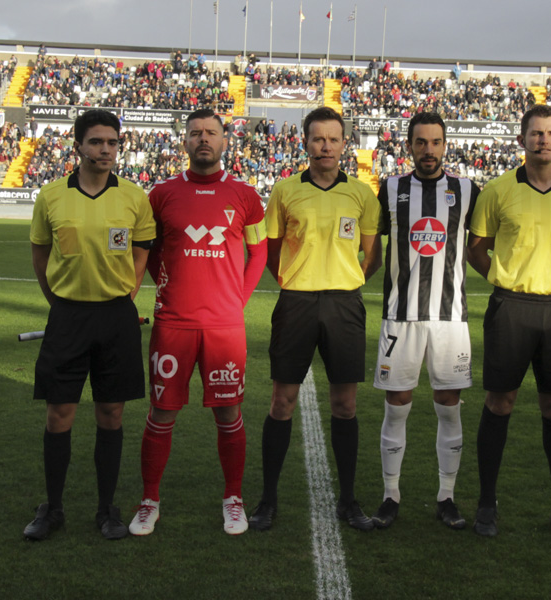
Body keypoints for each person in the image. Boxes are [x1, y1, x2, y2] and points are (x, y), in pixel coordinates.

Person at [467, 104, 551, 540]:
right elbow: (477, 249)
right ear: (522, 139)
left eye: (550, 133)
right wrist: (504, 283)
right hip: (511, 308)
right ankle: (487, 504)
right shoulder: (498, 190)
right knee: (499, 403)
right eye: (535, 133)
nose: (542, 139)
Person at [127, 109, 268, 537]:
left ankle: (233, 498)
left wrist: (236, 300)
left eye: (211, 132)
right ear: (184, 142)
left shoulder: (245, 196)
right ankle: (149, 499)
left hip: (225, 327)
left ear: (225, 141)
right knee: (161, 413)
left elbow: (259, 253)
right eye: (195, 133)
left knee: (229, 413)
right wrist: (167, 283)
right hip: (173, 324)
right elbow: (148, 251)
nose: (203, 138)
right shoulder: (161, 194)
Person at [25, 109, 155, 541]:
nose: (105, 150)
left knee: (111, 413)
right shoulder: (51, 196)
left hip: (116, 316)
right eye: (96, 142)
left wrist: (128, 293)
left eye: (112, 143)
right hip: (67, 315)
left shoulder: (135, 198)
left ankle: (106, 509)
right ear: (77, 144)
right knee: (59, 412)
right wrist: (58, 303)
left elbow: (141, 251)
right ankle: (53, 507)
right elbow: (40, 256)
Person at [250, 106, 381, 532]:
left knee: (345, 405)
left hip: (344, 305)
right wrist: (295, 280)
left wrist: (345, 281)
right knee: (281, 402)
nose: (325, 146)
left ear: (345, 144)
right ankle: (268, 500)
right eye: (317, 139)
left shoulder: (361, 194)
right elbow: (271, 252)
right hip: (297, 303)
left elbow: (371, 255)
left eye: (333, 139)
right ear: (305, 142)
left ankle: (348, 500)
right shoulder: (286, 191)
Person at [368, 112, 478, 530]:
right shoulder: (390, 189)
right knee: (397, 405)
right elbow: (371, 247)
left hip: (450, 318)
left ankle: (446, 496)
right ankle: (390, 495)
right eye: (420, 142)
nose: (428, 150)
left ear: (445, 145)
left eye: (435, 142)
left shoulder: (468, 190)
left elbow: (482, 242)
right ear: (409, 145)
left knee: (449, 405)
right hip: (401, 317)